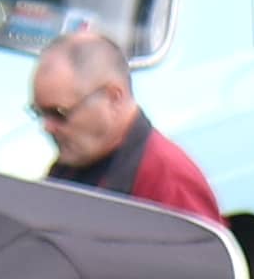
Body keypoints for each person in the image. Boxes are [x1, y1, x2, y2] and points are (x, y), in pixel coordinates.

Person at [31, 25, 220, 225]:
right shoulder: (73, 164)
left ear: (113, 97)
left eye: (59, 113)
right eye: (39, 113)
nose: (48, 127)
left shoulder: (170, 183)